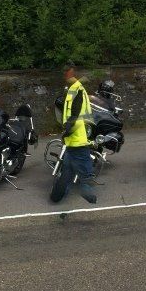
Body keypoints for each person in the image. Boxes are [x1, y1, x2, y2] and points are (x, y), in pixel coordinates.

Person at [51, 66, 97, 205]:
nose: (65, 75)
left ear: (71, 72)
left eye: (66, 72)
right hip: (75, 137)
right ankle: (61, 193)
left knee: (81, 170)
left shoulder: (76, 89)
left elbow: (75, 115)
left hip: (77, 136)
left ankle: (86, 192)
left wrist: (68, 131)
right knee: (71, 168)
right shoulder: (73, 88)